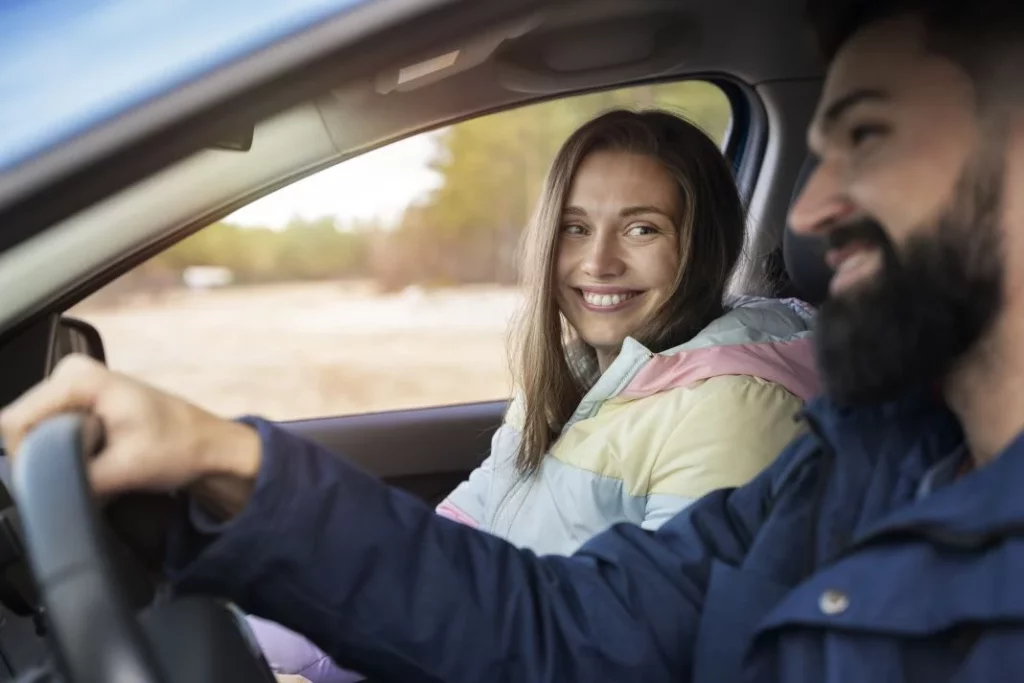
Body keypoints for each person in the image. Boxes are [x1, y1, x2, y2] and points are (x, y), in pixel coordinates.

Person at [4, 0, 1023, 680]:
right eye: (820, 148)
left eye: (871, 135)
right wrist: (236, 467)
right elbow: (568, 625)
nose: (811, 209)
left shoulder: (761, 414)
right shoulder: (855, 460)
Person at [247, 110, 818, 681]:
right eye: (575, 228)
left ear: (704, 246)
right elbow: (462, 538)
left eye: (642, 229)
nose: (599, 263)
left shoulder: (737, 409)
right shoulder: (573, 377)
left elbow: (661, 652)